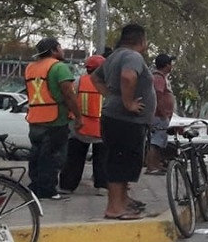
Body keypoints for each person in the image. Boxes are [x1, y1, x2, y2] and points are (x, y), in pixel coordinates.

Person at [95, 24, 156, 220]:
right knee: (119, 162)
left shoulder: (114, 56)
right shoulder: (132, 56)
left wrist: (113, 96)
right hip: (125, 120)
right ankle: (115, 208)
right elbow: (128, 77)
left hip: (117, 117)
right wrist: (128, 102)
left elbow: (95, 78)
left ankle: (122, 203)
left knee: (120, 161)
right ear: (141, 41)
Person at [24, 38, 79, 201]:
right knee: (53, 156)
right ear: (54, 50)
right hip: (55, 119)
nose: (62, 51)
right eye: (60, 47)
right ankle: (48, 191)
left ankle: (34, 187)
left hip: (35, 118)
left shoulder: (30, 68)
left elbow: (29, 93)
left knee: (36, 154)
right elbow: (69, 95)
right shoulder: (59, 67)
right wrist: (78, 116)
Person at [60, 54, 107, 194]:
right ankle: (102, 186)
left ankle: (67, 186)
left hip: (80, 127)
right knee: (102, 159)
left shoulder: (78, 82)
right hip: (102, 128)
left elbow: (69, 100)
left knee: (74, 158)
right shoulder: (109, 84)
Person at [143, 54, 175, 175]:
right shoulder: (158, 78)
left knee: (159, 141)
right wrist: (162, 113)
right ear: (166, 65)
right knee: (156, 142)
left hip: (160, 115)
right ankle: (151, 166)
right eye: (170, 64)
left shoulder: (161, 77)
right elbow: (158, 96)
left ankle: (156, 164)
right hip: (158, 115)